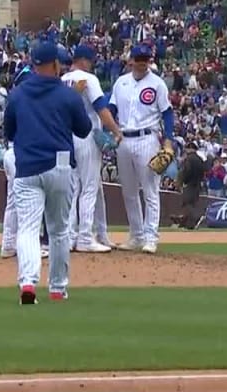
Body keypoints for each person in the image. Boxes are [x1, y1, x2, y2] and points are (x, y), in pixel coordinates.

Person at [4, 41, 92, 305]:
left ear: (34, 64)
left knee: (28, 230)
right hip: (60, 165)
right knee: (59, 230)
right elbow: (84, 130)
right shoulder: (68, 95)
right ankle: (57, 288)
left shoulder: (17, 94)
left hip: (28, 167)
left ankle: (28, 283)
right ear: (54, 64)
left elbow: (8, 132)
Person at [108, 43, 175, 254]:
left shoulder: (157, 84)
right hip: (123, 138)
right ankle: (136, 235)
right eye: (139, 60)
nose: (142, 64)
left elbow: (167, 113)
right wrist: (106, 126)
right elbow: (111, 108)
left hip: (147, 137)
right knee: (128, 191)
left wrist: (169, 140)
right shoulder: (121, 83)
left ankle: (151, 237)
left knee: (150, 191)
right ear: (131, 61)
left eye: (146, 60)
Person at [61, 44, 123, 252]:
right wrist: (115, 130)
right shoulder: (89, 79)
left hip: (65, 138)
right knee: (88, 188)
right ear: (85, 60)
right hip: (86, 136)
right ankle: (85, 237)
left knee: (73, 188)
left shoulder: (61, 80)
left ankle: (70, 237)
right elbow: (101, 108)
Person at [0, 64, 49, 260]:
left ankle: (8, 245)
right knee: (31, 200)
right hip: (22, 154)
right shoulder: (28, 103)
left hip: (11, 153)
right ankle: (32, 244)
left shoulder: (16, 101)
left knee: (13, 202)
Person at [172, 140, 207, 229]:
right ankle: (189, 224)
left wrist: (182, 181)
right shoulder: (200, 159)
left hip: (190, 184)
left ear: (190, 149)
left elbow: (186, 171)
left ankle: (196, 218)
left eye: (187, 148)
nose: (186, 150)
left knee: (187, 203)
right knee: (192, 203)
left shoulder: (189, 159)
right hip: (198, 184)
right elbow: (204, 171)